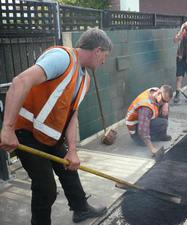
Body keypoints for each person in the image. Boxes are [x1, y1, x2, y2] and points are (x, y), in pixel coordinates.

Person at [0, 28, 112, 224]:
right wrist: (7, 129)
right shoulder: (62, 58)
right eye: (105, 56)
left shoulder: (84, 78)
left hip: (50, 136)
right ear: (97, 51)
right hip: (26, 132)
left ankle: (81, 209)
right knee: (46, 188)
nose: (104, 61)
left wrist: (73, 151)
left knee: (70, 168)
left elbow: (72, 115)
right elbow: (19, 82)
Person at [126, 85, 173, 159]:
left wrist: (165, 104)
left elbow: (165, 90)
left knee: (165, 109)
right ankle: (143, 141)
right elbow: (142, 130)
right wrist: (152, 149)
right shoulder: (146, 107)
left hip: (143, 120)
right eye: (163, 100)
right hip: (136, 131)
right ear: (158, 93)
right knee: (163, 123)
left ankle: (162, 135)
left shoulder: (156, 91)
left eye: (166, 101)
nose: (164, 102)